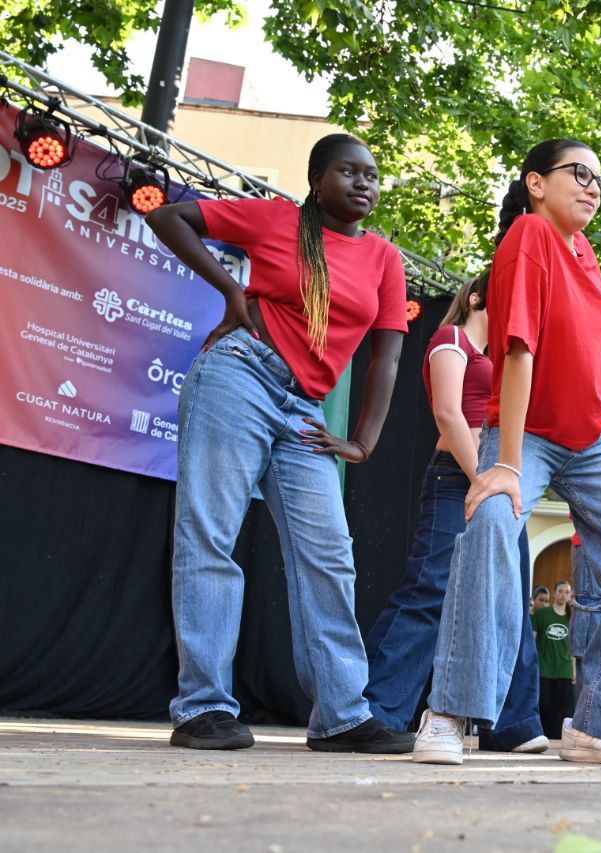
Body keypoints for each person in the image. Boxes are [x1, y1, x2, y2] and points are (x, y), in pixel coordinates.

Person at [147, 133, 412, 752]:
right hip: (241, 374)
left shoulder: (384, 259)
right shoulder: (276, 218)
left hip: (306, 412)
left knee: (329, 556)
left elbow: (389, 357)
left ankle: (343, 715)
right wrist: (231, 290)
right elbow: (167, 215)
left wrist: (364, 442)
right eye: (349, 172)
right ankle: (203, 708)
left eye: (373, 175)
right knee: (210, 534)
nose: (364, 183)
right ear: (318, 179)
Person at [412, 139, 601, 767]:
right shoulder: (529, 234)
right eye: (579, 173)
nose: (593, 186)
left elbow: (588, 345)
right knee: (494, 524)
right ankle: (447, 713)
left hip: (594, 439)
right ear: (535, 182)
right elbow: (520, 350)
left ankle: (599, 727)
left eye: (600, 179)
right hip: (527, 432)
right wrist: (502, 461)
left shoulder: (588, 254)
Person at [361, 274, 545, 754]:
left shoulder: (509, 361)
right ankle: (377, 710)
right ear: (481, 295)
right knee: (431, 590)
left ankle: (513, 725)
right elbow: (447, 412)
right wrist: (481, 476)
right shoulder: (452, 338)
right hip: (457, 477)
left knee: (510, 599)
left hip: (500, 483)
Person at [533, 581, 575, 738]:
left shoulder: (572, 619)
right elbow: (532, 641)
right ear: (555, 593)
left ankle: (558, 738)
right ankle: (542, 735)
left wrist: (574, 671)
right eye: (560, 591)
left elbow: (574, 647)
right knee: (544, 705)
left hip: (564, 669)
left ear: (570, 596)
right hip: (544, 668)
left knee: (562, 708)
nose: (563, 594)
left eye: (567, 592)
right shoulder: (542, 615)